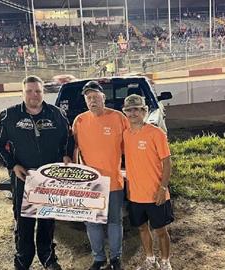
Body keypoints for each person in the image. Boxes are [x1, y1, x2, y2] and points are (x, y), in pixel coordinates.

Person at [0, 75, 72, 270]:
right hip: (23, 178)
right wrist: (12, 165)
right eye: (29, 91)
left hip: (49, 179)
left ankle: (48, 257)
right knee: (24, 221)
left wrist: (67, 155)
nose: (34, 95)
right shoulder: (8, 116)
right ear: (23, 92)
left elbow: (68, 138)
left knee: (47, 219)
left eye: (38, 91)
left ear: (43, 93)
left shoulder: (56, 114)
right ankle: (23, 259)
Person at [72, 81, 129, 270]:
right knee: (92, 223)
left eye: (96, 97)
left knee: (114, 221)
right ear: (85, 100)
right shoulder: (79, 121)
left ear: (103, 98)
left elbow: (129, 147)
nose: (92, 100)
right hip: (90, 185)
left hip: (113, 181)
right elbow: (73, 149)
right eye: (88, 98)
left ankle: (115, 258)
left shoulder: (118, 118)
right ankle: (98, 258)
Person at [122, 94, 174, 270]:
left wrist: (162, 188)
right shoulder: (125, 135)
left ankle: (166, 262)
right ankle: (150, 259)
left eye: (136, 109)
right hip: (136, 195)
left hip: (156, 193)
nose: (133, 113)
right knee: (142, 229)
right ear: (125, 113)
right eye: (129, 110)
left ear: (144, 111)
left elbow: (167, 162)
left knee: (160, 230)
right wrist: (128, 188)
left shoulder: (156, 133)